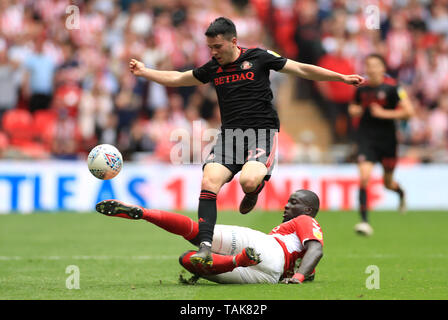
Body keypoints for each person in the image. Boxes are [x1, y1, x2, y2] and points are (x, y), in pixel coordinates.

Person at [129, 17, 362, 266]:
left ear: (233, 41)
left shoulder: (259, 57)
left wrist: (340, 77)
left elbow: (302, 69)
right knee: (208, 181)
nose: (213, 52)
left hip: (261, 134)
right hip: (230, 137)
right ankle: (205, 247)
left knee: (248, 181)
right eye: (210, 47)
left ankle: (255, 189)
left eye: (217, 47)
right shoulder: (213, 68)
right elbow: (178, 78)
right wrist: (145, 72)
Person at [95, 189, 323, 284]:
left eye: (294, 202)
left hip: (269, 248)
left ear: (308, 210)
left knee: (198, 233)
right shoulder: (297, 230)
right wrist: (302, 275)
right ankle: (239, 260)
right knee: (188, 259)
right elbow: (309, 261)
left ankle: (143, 213)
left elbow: (316, 249)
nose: (286, 205)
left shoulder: (305, 221)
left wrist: (299, 278)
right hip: (271, 276)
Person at [348, 54, 414, 236]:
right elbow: (353, 108)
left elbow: (409, 112)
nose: (372, 69)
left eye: (376, 65)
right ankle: (364, 222)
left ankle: (400, 193)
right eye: (369, 65)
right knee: (364, 177)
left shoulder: (394, 87)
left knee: (387, 183)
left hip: (388, 140)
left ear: (383, 68)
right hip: (366, 139)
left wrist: (384, 113)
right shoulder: (361, 88)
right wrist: (356, 110)